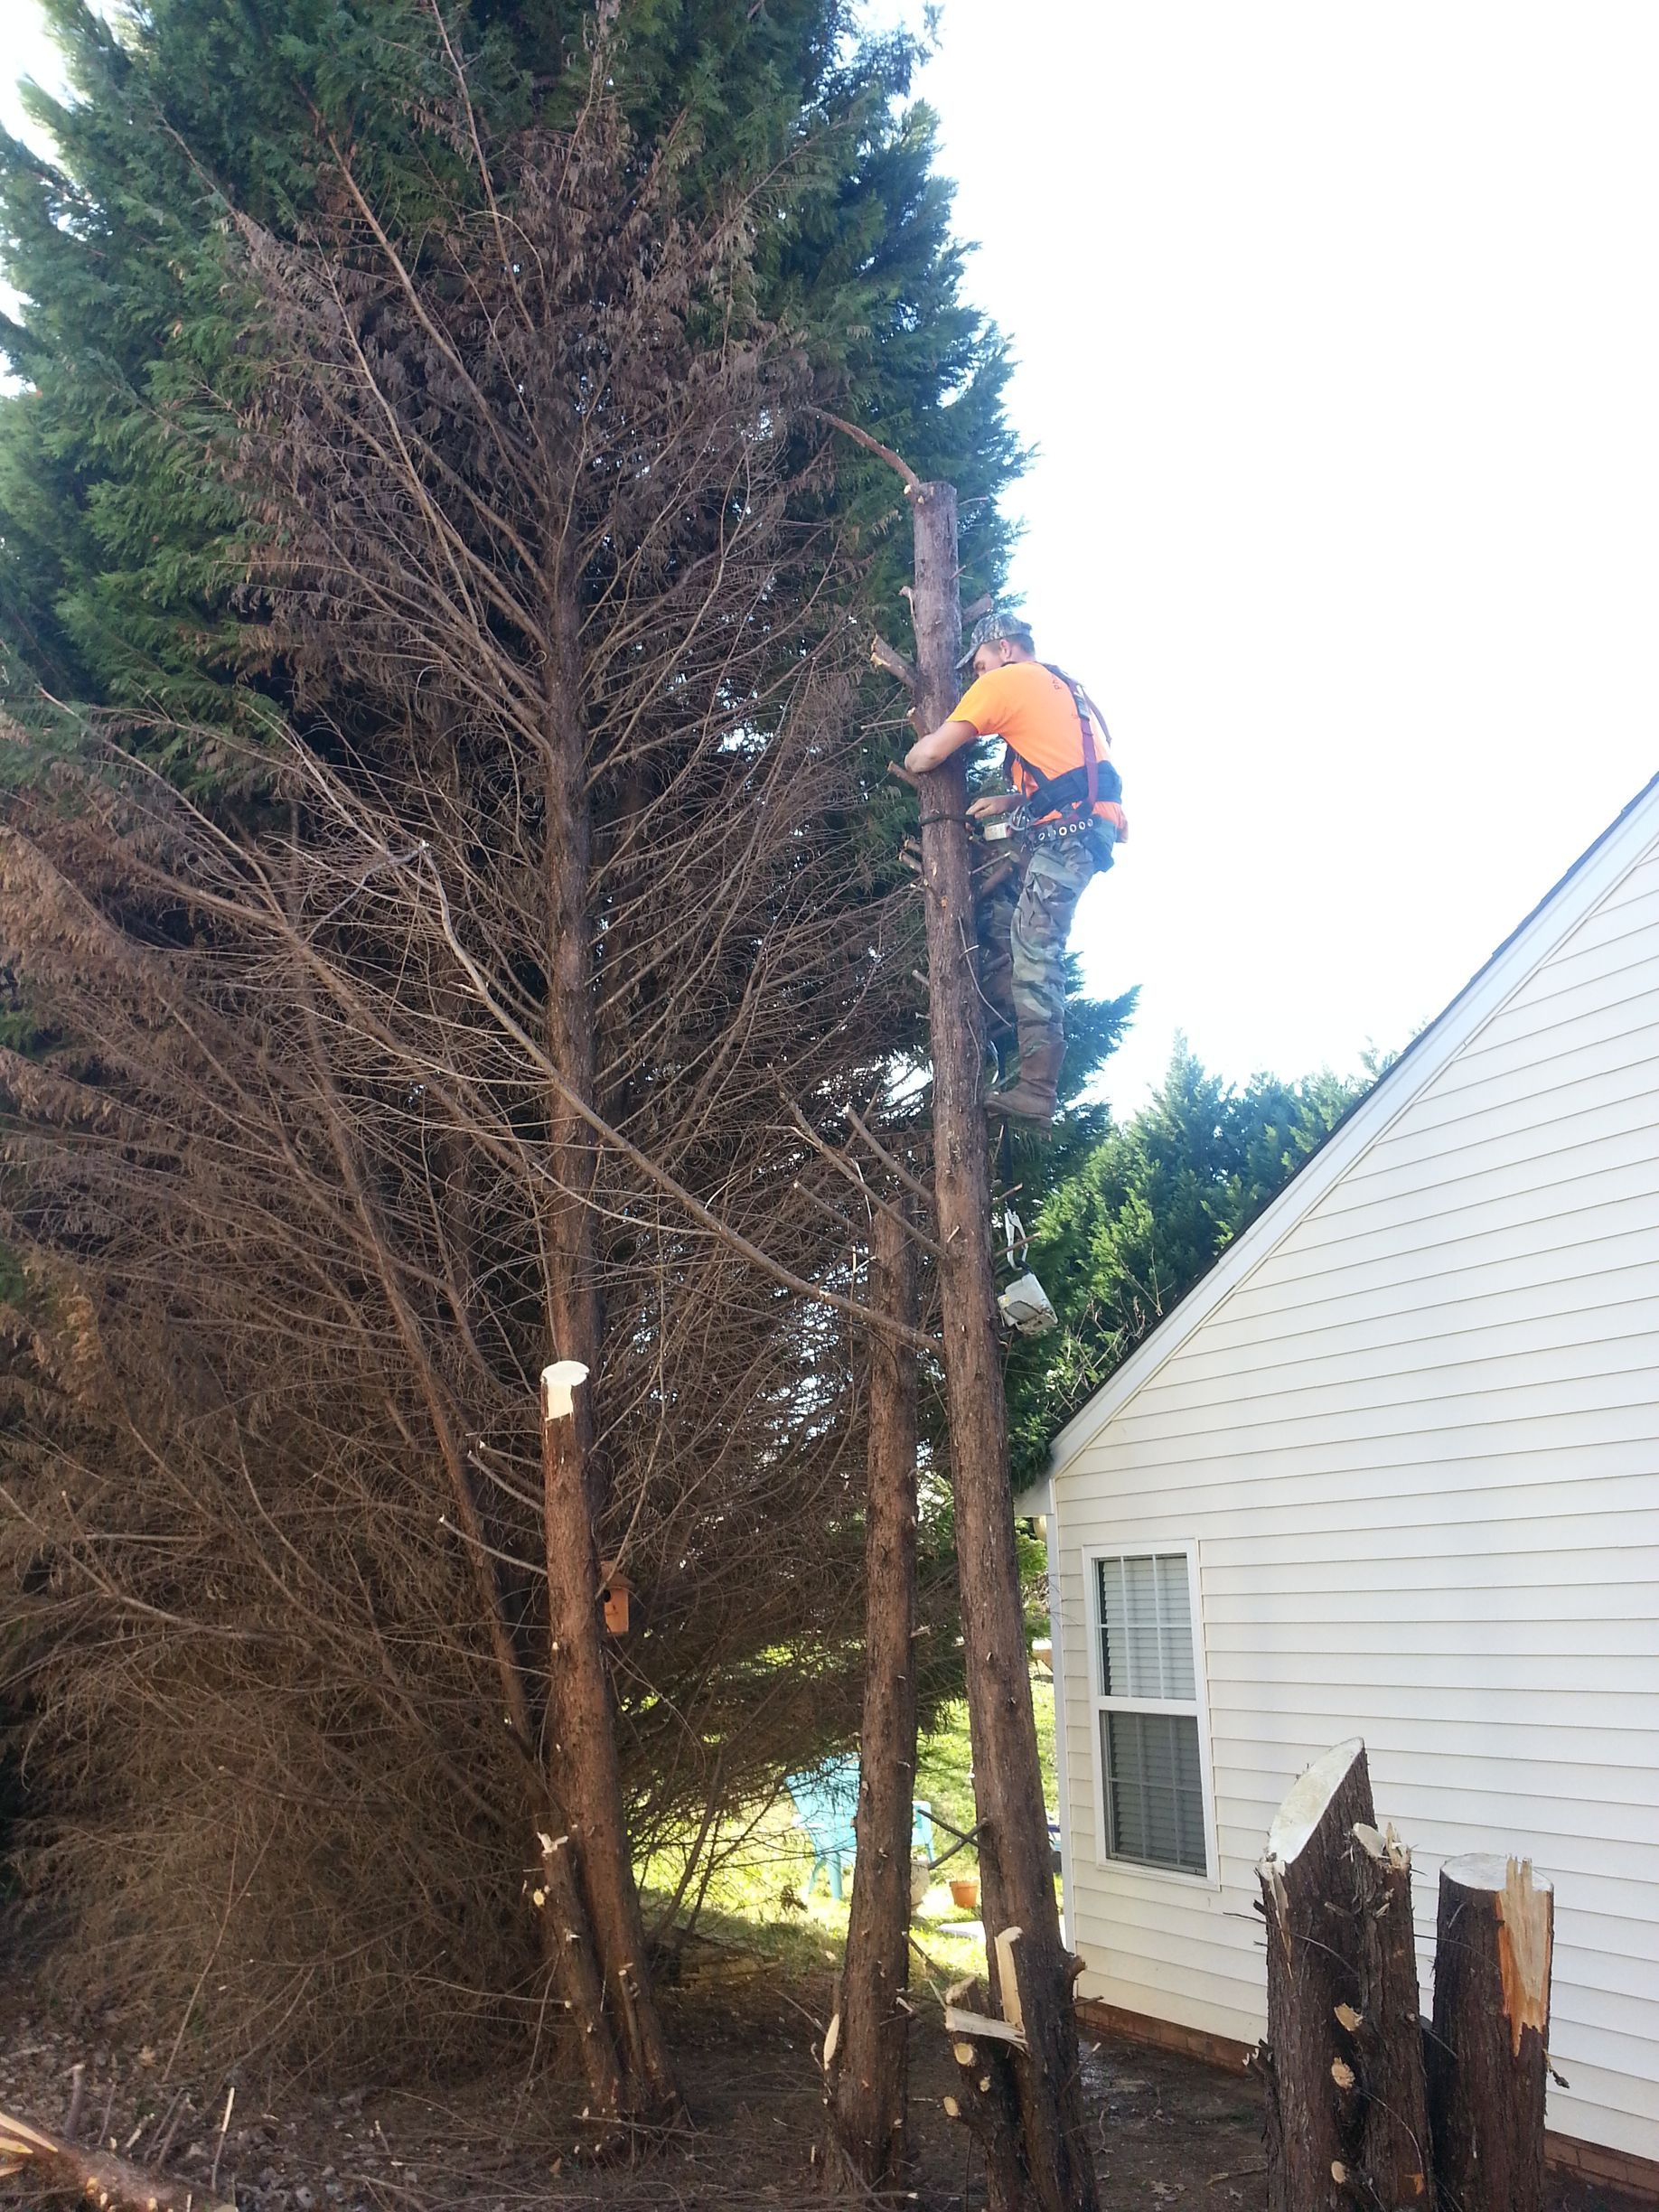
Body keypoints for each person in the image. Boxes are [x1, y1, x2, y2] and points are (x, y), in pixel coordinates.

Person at [904, 611, 1126, 1124]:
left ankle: (1037, 1089)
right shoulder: (1061, 687)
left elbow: (929, 754)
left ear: (1004, 648)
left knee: (1034, 950)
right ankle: (1010, 1056)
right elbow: (1073, 774)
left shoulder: (1010, 679)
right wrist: (1010, 803)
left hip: (1069, 838)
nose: (981, 677)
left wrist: (916, 752)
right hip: (1083, 828)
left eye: (980, 665)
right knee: (1012, 932)